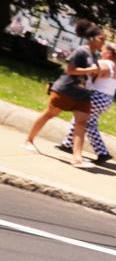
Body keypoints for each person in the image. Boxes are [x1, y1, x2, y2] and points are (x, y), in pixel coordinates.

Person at [23, 19, 102, 167]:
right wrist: (90, 70)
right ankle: (29, 140)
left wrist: (96, 74)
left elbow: (90, 74)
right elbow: (70, 70)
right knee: (48, 114)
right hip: (66, 90)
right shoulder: (81, 51)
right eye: (101, 38)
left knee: (81, 123)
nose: (103, 41)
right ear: (92, 38)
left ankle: (77, 158)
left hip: (83, 94)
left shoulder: (94, 55)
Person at [58, 42, 116, 164]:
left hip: (96, 96)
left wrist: (79, 70)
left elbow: (91, 72)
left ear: (108, 53)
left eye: (103, 50)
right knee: (80, 119)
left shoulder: (104, 63)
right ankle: (67, 144)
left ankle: (102, 153)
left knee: (87, 123)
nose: (100, 52)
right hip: (106, 98)